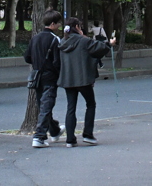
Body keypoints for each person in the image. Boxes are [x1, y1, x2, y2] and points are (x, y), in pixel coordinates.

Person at [58, 17, 115, 147]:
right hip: (83, 79)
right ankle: (88, 134)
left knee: (70, 107)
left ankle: (70, 139)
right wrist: (110, 44)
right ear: (77, 27)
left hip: (68, 79)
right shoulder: (83, 41)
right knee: (90, 104)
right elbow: (99, 48)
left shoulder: (63, 42)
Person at [25, 9, 64, 148]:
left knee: (44, 105)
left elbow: (27, 57)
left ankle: (54, 131)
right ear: (53, 24)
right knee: (46, 106)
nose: (60, 25)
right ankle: (39, 136)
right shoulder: (55, 39)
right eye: (58, 23)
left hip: (37, 76)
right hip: (50, 77)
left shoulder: (35, 38)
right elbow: (57, 62)